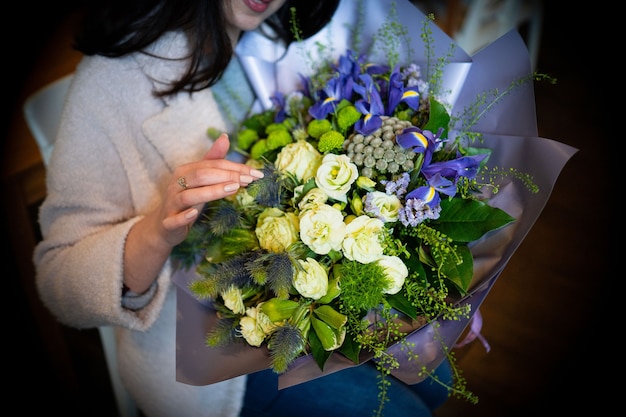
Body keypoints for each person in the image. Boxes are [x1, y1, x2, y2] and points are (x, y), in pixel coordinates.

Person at [33, 0, 451, 415]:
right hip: (204, 349)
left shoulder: (285, 39)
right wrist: (156, 233)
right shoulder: (111, 80)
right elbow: (58, 282)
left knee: (437, 383)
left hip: (316, 306)